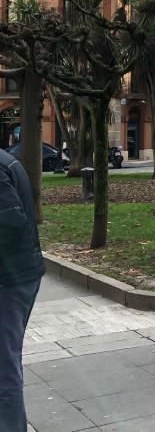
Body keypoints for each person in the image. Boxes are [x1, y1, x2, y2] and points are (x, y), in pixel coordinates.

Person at [0, 147, 45, 432]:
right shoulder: (6, 160)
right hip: (18, 275)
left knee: (3, 370)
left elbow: (10, 222)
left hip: (9, 281)